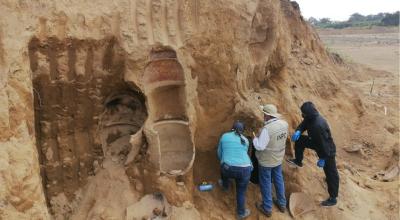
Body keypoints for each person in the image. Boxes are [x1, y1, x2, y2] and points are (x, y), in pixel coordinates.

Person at [287, 101, 339, 207]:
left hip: (327, 150)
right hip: (315, 142)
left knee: (331, 173)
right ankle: (298, 161)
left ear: (308, 114)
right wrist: (298, 131)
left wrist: (323, 158)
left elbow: (324, 144)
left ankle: (333, 198)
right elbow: (304, 124)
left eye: (303, 113)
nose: (302, 115)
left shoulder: (318, 125)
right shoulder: (311, 117)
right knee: (300, 140)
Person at [253, 104, 288, 217]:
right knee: (278, 179)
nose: (263, 116)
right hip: (278, 158)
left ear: (267, 116)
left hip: (266, 161)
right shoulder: (284, 124)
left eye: (264, 114)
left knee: (266, 182)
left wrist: (254, 139)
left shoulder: (267, 129)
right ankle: (282, 203)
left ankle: (267, 207)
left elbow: (260, 147)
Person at [217, 121, 252, 219]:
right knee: (241, 191)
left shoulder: (224, 136)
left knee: (223, 169)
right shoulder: (246, 140)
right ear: (242, 131)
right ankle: (241, 213)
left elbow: (219, 153)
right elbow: (245, 154)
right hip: (245, 169)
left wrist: (223, 161)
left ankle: (225, 186)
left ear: (232, 128)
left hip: (228, 168)